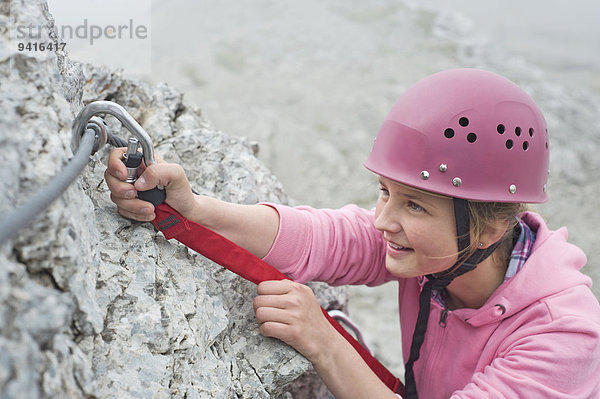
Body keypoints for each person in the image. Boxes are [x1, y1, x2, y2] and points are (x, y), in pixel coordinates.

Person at [104, 69, 600, 398]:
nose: (383, 220)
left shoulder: (561, 336)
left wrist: (325, 341)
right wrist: (194, 208)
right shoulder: (442, 252)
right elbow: (327, 239)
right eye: (384, 192)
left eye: (415, 205)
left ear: (490, 225)